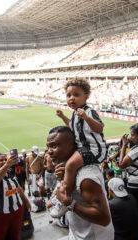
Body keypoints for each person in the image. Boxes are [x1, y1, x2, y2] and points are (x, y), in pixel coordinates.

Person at [47, 126, 114, 239]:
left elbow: (104, 219)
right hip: (77, 234)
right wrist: (61, 180)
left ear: (71, 145)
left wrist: (70, 204)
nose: (49, 151)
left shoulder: (86, 178)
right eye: (48, 146)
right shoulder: (67, 169)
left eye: (54, 146)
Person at [52, 79, 107, 217]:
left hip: (94, 150)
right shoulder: (75, 113)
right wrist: (62, 116)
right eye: (68, 95)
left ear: (86, 96)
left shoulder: (89, 111)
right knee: (62, 164)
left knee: (70, 165)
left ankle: (64, 201)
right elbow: (72, 126)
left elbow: (99, 128)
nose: (71, 98)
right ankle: (61, 192)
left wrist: (86, 117)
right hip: (82, 148)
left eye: (76, 94)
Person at [0, 153, 31, 240]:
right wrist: (7, 164)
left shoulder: (10, 171)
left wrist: (26, 201)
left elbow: (18, 187)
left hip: (17, 210)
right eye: (1, 160)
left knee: (15, 237)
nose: (3, 161)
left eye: (5, 159)